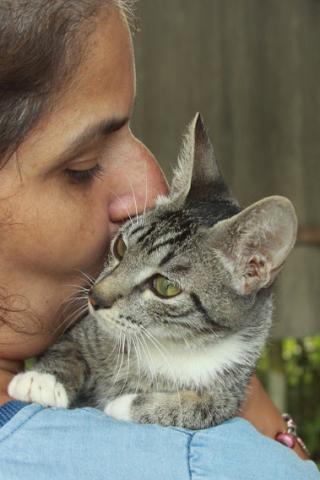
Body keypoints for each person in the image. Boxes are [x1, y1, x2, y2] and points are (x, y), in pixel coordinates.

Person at [0, 1, 318, 479]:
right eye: (83, 165)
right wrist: (284, 452)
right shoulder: (203, 464)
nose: (150, 184)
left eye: (134, 126)